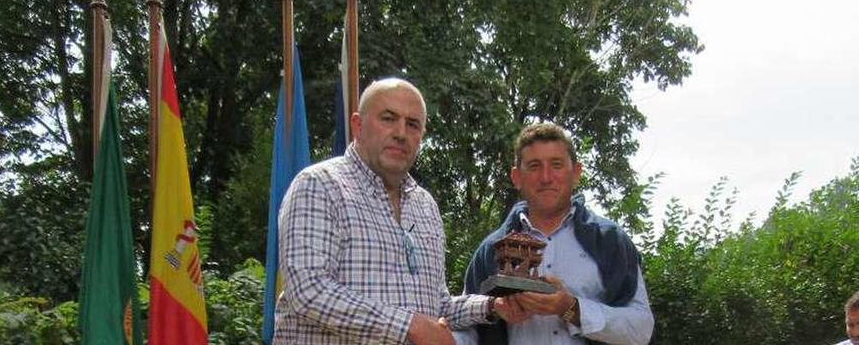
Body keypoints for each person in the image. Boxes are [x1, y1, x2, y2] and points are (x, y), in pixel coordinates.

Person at [274, 78, 519, 344]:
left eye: (412, 124)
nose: (401, 133)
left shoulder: (425, 206)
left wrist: (491, 306)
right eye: (388, 118)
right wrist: (409, 326)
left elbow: (436, 306)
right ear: (358, 126)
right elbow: (309, 291)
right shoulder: (319, 185)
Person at [455, 122, 654, 345]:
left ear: (576, 173)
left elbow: (641, 329)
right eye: (534, 166)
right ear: (516, 177)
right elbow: (466, 328)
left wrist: (571, 309)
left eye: (556, 165)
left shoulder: (610, 242)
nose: (546, 177)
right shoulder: (490, 251)